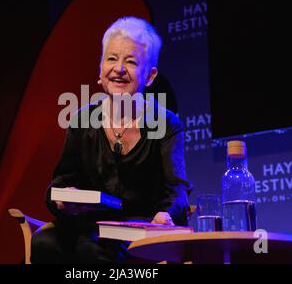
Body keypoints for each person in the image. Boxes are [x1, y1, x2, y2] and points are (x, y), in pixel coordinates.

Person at [31, 16, 193, 264]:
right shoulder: (82, 120)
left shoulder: (166, 123)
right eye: (111, 58)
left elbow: (177, 190)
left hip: (139, 230)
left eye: (131, 61)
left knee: (94, 251)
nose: (119, 68)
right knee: (43, 244)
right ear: (100, 69)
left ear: (149, 77)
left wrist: (165, 214)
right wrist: (64, 200)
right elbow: (61, 181)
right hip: (87, 226)